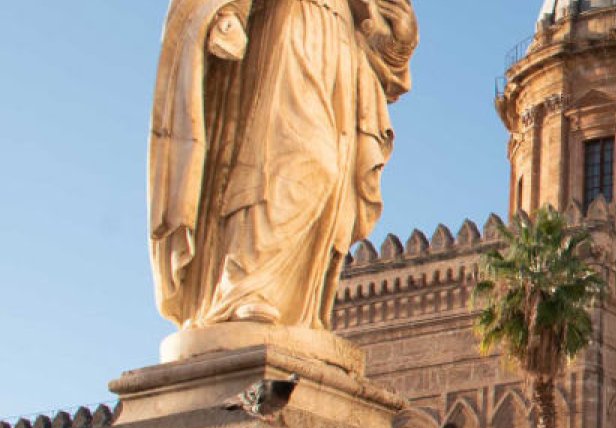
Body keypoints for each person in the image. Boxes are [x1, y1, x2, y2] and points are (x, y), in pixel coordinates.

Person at [149, 0, 417, 330]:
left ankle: (293, 311)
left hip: (343, 47)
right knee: (296, 161)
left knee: (333, 186)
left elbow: (383, 42)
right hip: (291, 26)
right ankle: (243, 285)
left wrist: (398, 37)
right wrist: (228, 12)